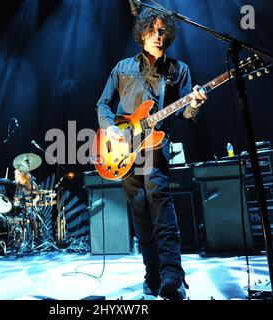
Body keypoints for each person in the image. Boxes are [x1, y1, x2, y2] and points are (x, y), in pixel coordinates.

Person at [96, 8, 208, 300]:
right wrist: (109, 129)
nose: (158, 35)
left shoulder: (178, 69)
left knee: (160, 206)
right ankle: (152, 274)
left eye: (162, 31)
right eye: (152, 30)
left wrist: (194, 104)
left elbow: (184, 114)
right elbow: (102, 104)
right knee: (140, 212)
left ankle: (173, 275)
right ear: (142, 32)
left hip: (156, 149)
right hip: (123, 151)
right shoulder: (122, 67)